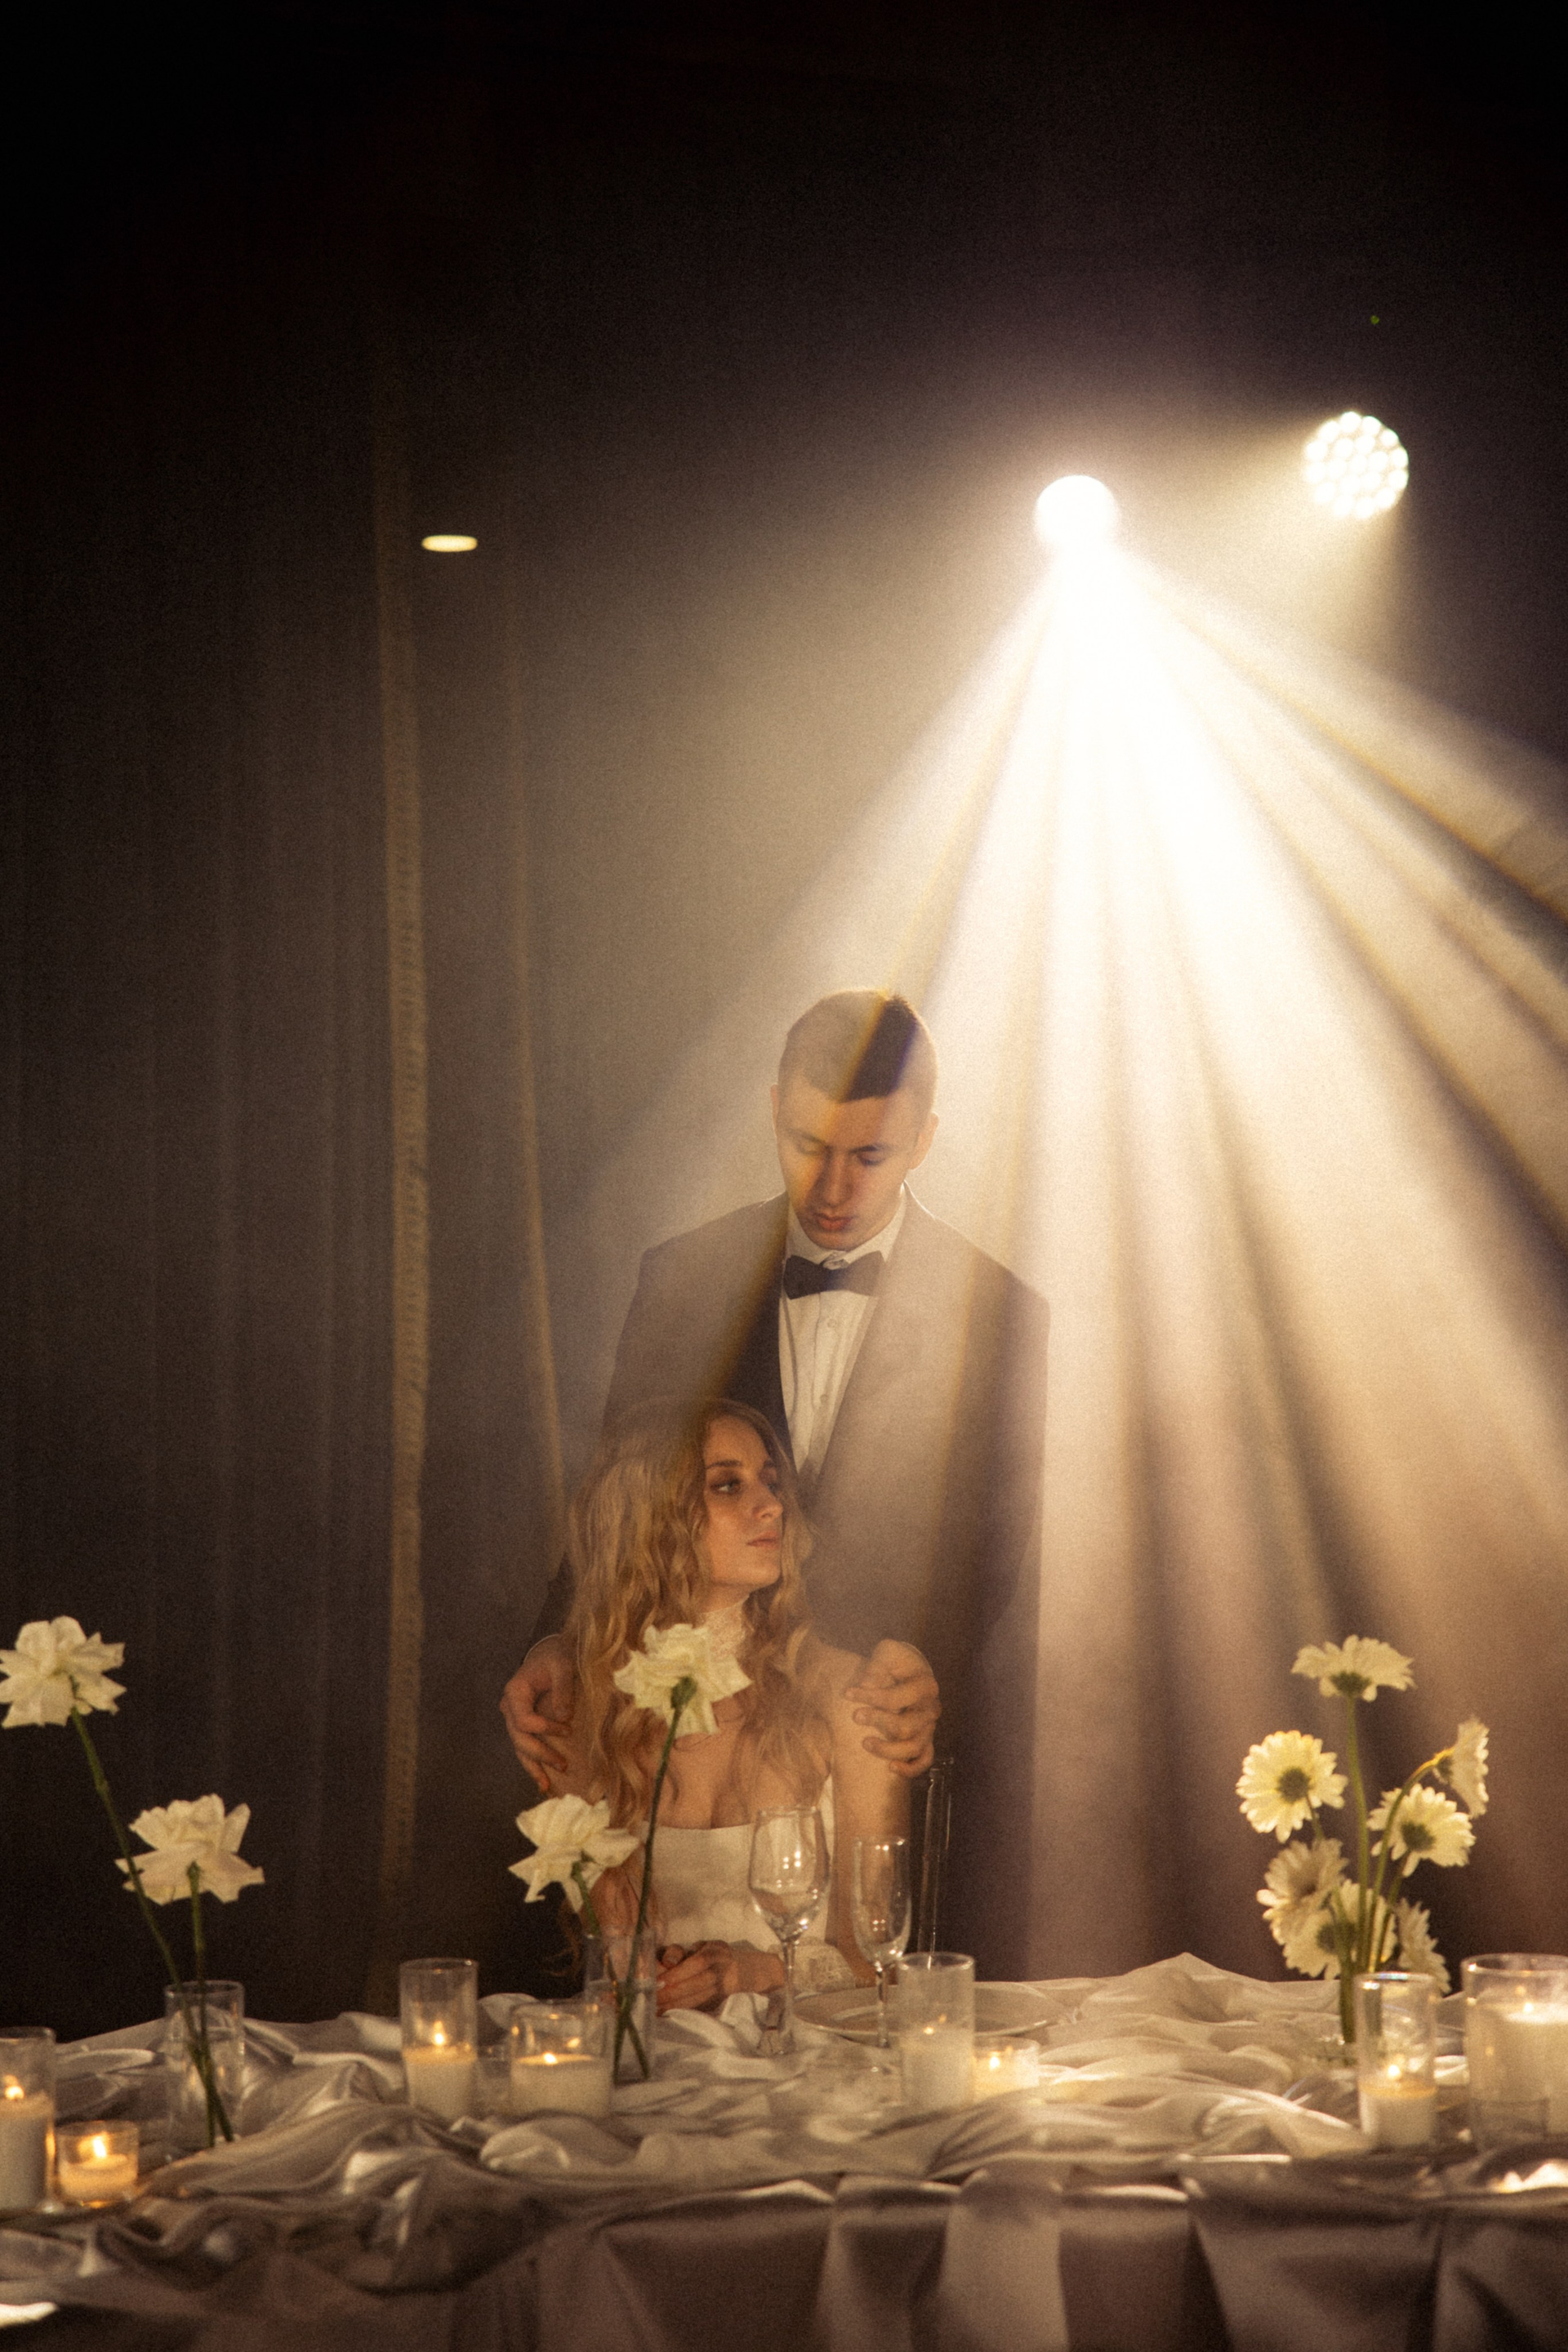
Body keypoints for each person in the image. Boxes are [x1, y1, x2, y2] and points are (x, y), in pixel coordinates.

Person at [506, 990, 1049, 1974]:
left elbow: (996, 1551)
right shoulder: (684, 1278)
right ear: (772, 1111)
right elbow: (622, 1492)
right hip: (685, 1723)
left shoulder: (1000, 1310)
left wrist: (927, 1673)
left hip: (867, 1731)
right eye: (807, 1145)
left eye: (869, 1155)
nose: (832, 1187)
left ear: (924, 1140)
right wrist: (559, 1636)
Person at [552, 1398, 906, 2009]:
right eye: (727, 1485)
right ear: (649, 1516)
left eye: (770, 1482)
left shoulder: (846, 1695)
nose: (772, 1506)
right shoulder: (581, 1707)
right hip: (653, 2049)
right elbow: (611, 1954)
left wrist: (754, 1972)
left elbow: (880, 1965)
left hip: (809, 2047)